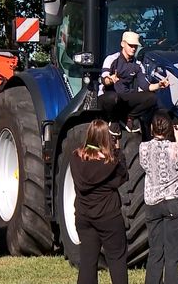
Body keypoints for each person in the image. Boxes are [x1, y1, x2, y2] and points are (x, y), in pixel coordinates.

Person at [70, 119, 129, 284]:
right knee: (117, 259)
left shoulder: (75, 158)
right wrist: (117, 150)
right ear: (106, 139)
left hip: (83, 217)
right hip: (109, 217)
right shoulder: (110, 163)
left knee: (88, 262)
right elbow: (122, 176)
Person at [140, 111, 178, 284]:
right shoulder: (176, 148)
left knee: (155, 252)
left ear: (152, 128)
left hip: (153, 203)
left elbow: (144, 166)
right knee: (172, 255)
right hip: (174, 202)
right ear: (170, 129)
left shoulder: (143, 148)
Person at [98, 31, 169, 138]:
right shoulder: (112, 59)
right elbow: (104, 79)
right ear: (123, 44)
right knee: (113, 97)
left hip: (125, 97)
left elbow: (146, 86)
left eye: (135, 46)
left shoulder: (137, 64)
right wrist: (110, 80)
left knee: (152, 98)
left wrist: (159, 85)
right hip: (108, 96)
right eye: (131, 45)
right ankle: (114, 120)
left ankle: (129, 117)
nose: (133, 48)